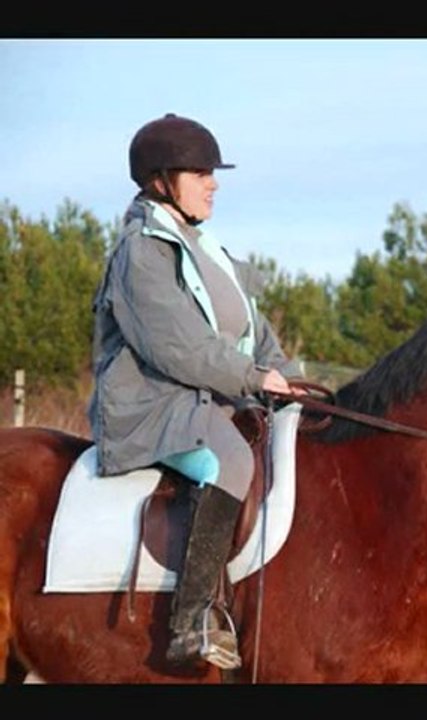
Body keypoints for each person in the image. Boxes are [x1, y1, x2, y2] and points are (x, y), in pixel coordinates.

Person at [87, 113, 305, 669]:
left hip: (210, 395)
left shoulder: (205, 249)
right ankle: (191, 621)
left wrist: (284, 375)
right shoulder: (141, 252)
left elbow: (253, 333)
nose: (214, 182)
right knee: (230, 461)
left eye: (213, 172)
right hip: (153, 405)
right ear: (162, 180)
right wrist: (253, 380)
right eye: (201, 172)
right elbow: (177, 348)